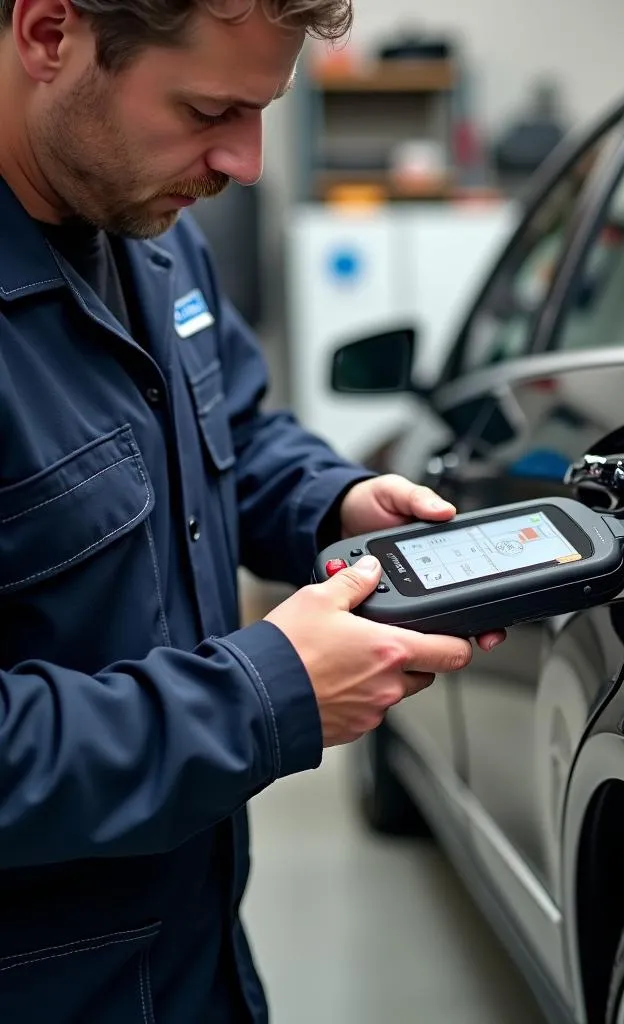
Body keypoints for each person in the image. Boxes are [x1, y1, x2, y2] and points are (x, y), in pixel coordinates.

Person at [0, 2, 504, 1021]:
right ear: (49, 35)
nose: (247, 160)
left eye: (264, 110)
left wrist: (337, 502)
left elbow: (236, 426)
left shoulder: (148, 228)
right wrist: (263, 696)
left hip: (195, 957)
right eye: (208, 109)